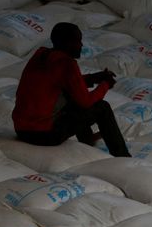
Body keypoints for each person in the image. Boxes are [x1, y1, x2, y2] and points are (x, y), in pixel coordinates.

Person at [12, 22, 129, 156]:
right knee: (102, 108)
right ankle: (122, 155)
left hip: (21, 130)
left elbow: (66, 83)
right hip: (45, 135)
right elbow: (86, 101)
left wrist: (94, 78)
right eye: (77, 41)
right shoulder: (66, 64)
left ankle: (87, 139)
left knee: (71, 96)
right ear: (66, 43)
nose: (81, 45)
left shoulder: (41, 55)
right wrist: (106, 84)